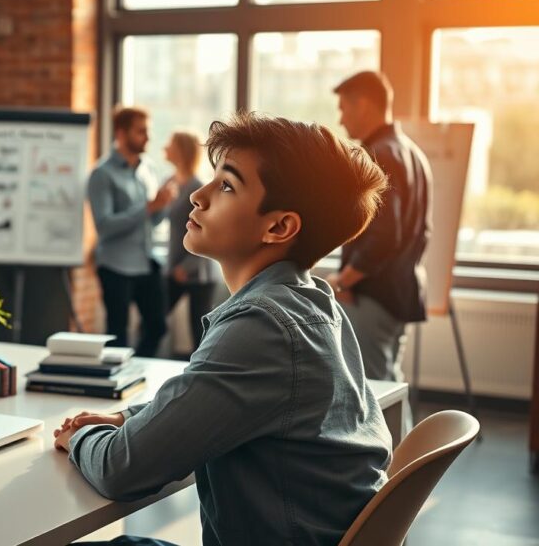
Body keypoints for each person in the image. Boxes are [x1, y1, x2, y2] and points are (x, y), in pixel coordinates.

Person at [57, 113, 392, 545]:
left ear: (279, 227)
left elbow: (123, 470)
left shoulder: (263, 327)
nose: (198, 195)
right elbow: (208, 395)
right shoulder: (313, 302)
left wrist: (78, 434)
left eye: (228, 185)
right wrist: (125, 416)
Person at [328, 71, 433, 382]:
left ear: (363, 105)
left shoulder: (379, 154)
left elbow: (384, 235)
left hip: (372, 296)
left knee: (375, 393)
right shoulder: (412, 152)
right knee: (389, 385)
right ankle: (414, 435)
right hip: (398, 293)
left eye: (344, 108)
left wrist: (344, 280)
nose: (341, 120)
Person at [88, 106, 177, 357]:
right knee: (118, 334)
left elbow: (153, 221)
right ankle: (118, 384)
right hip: (116, 265)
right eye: (141, 132)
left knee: (157, 327)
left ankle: (139, 369)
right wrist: (149, 207)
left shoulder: (147, 168)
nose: (147, 137)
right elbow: (104, 227)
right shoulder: (101, 174)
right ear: (121, 133)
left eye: (147, 131)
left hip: (146, 262)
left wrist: (163, 205)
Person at [163, 131, 221, 348]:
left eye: (171, 143)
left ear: (181, 151)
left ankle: (202, 378)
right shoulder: (169, 183)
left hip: (199, 271)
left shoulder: (198, 187)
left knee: (200, 332)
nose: (165, 147)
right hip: (174, 269)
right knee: (155, 321)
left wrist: (186, 266)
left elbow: (210, 232)